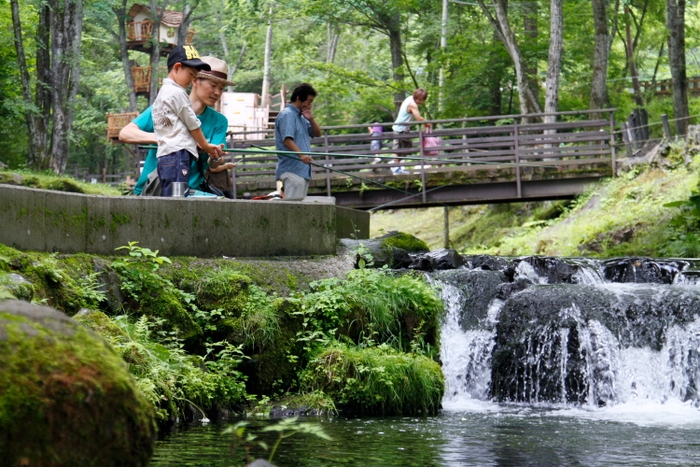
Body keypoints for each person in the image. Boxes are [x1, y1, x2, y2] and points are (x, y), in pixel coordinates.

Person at [121, 55, 234, 196]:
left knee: (220, 203)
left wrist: (215, 157)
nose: (217, 92)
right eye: (213, 85)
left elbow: (213, 163)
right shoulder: (165, 105)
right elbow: (125, 133)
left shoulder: (219, 121)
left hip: (192, 190)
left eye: (221, 88)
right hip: (156, 187)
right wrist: (164, 138)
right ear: (195, 81)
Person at [151, 45, 224, 197]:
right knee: (178, 197)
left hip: (165, 154)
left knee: (169, 194)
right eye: (191, 75)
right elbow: (193, 124)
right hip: (178, 154)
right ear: (177, 67)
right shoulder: (178, 93)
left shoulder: (163, 93)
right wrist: (205, 145)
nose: (192, 80)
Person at [274, 83, 322, 200]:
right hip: (292, 171)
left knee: (298, 209)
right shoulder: (287, 115)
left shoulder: (301, 117)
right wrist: (302, 155)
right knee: (292, 211)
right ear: (299, 98)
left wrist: (311, 119)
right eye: (309, 101)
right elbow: (287, 139)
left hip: (301, 171)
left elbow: (317, 134)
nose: (310, 105)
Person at [391, 89, 430, 175]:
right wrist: (427, 122)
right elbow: (419, 118)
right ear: (415, 97)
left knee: (406, 149)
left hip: (403, 129)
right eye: (418, 99)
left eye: (421, 100)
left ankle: (396, 165)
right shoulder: (412, 104)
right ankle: (396, 167)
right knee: (398, 150)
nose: (419, 102)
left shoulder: (409, 98)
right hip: (400, 129)